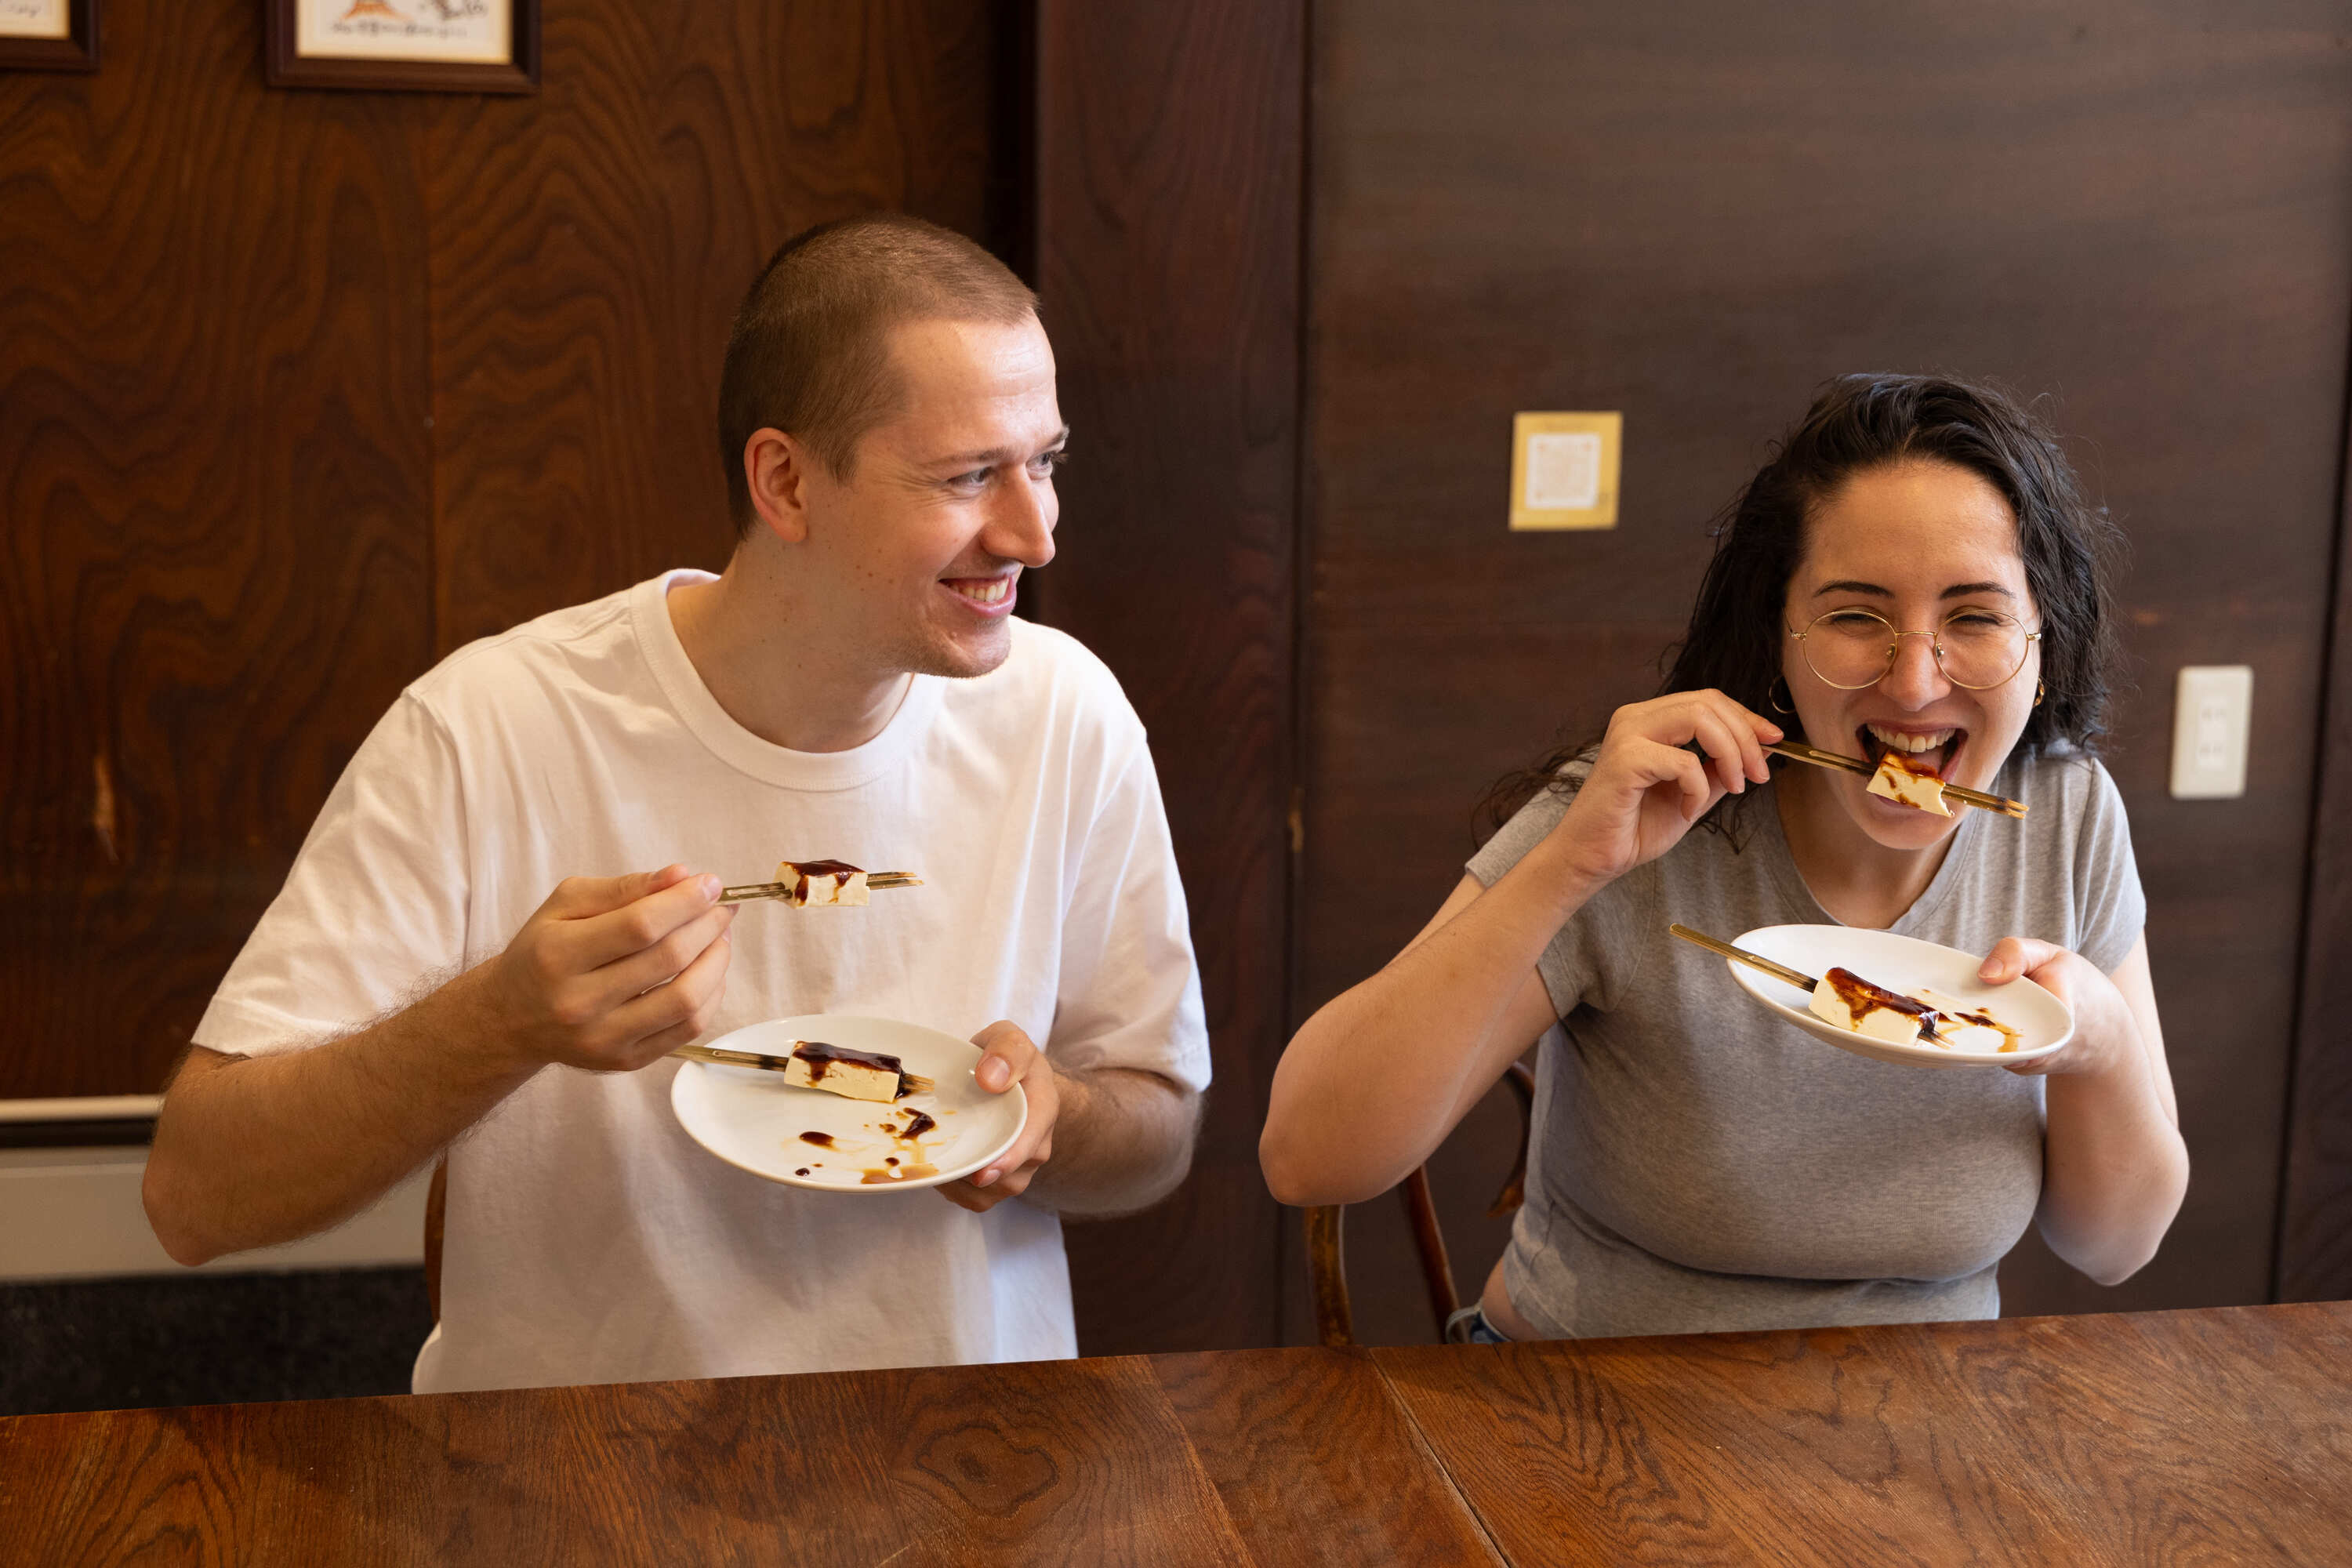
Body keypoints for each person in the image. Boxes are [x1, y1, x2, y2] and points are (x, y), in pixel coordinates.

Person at [143, 214, 1210, 1392]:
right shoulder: (490, 727)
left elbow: (1157, 1124)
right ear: (786, 481)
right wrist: (500, 1023)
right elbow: (197, 1197)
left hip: (966, 1450)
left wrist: (1054, 1116)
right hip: (572, 1464)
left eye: (1045, 462)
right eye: (967, 477)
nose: (1035, 534)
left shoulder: (1066, 712)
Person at [1261, 374, 2186, 1342]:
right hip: (1582, 1402)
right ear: (1777, 632)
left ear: (2042, 643)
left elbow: (2115, 1244)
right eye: (1856, 615)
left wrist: (2099, 1043)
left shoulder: (2064, 811)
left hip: (1923, 1417)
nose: (1914, 681)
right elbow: (1306, 1156)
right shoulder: (1649, 802)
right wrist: (1569, 865)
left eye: (1975, 616)